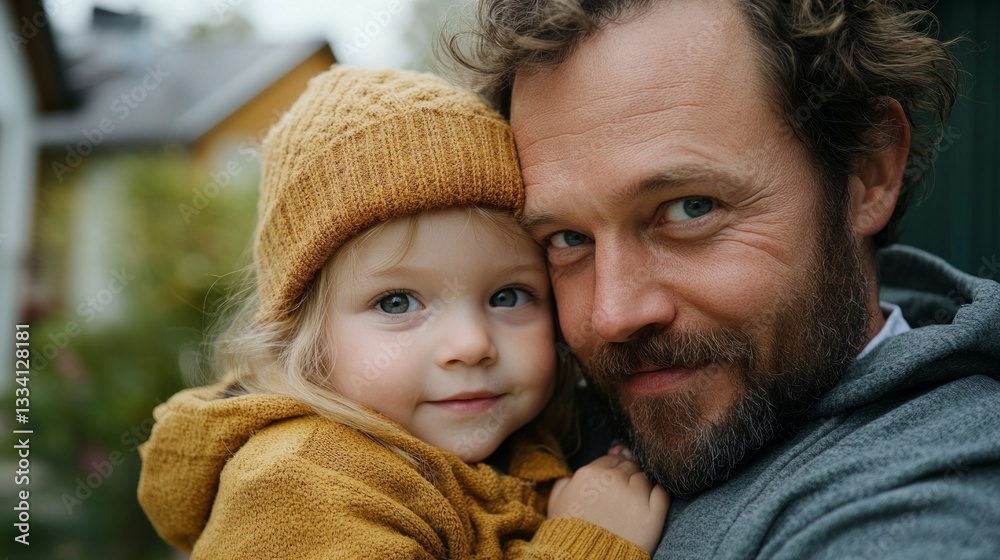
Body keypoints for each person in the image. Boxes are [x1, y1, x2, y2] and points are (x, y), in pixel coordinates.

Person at [449, 0, 1000, 558]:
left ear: (867, 173)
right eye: (568, 240)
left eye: (690, 208)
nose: (612, 314)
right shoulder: (521, 422)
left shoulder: (927, 510)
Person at [137, 66, 668, 559]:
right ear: (302, 333)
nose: (470, 344)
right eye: (397, 303)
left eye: (507, 296)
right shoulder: (301, 483)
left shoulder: (526, 441)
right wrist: (587, 544)